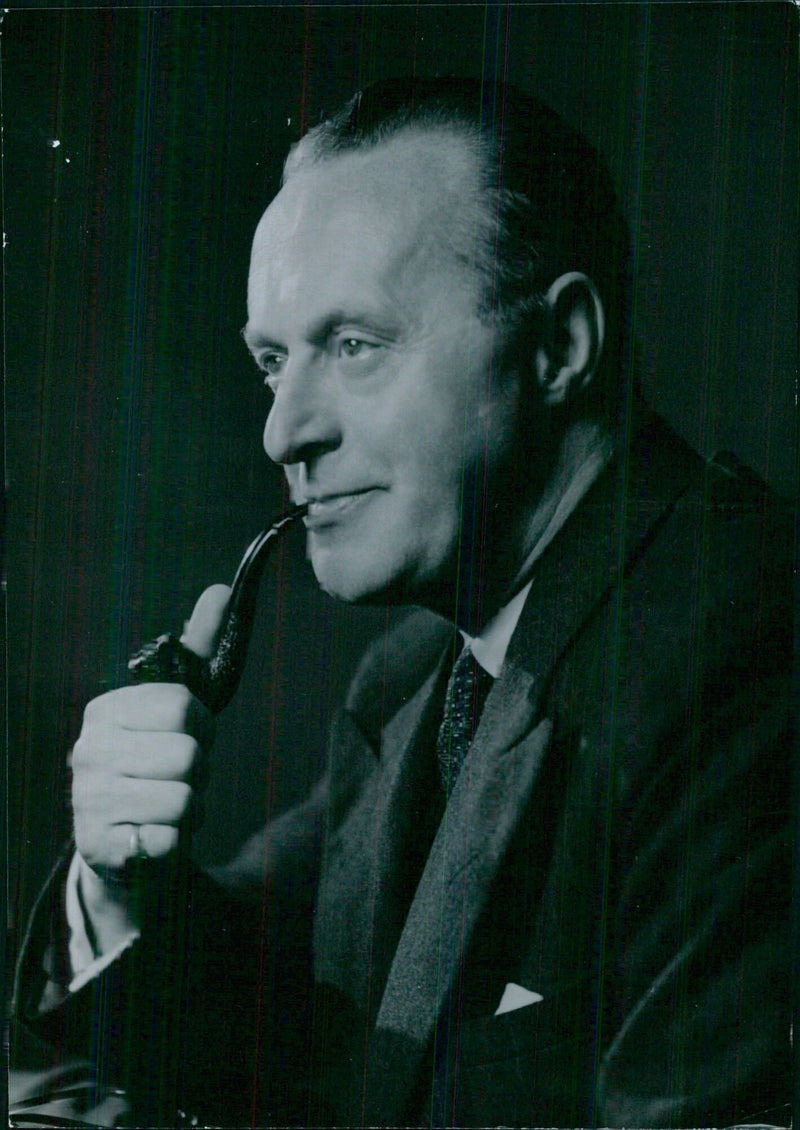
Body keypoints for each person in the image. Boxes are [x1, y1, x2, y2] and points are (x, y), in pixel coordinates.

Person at [11, 77, 792, 1127]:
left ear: (558, 346)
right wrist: (116, 888)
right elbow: (277, 1026)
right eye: (271, 360)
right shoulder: (414, 676)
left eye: (354, 346)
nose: (282, 433)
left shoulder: (745, 644)